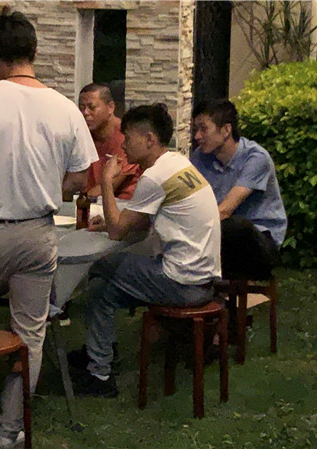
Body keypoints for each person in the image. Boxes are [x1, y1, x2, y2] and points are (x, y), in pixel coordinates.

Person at [0, 8, 98, 449]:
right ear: (35, 51)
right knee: (30, 332)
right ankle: (10, 429)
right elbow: (79, 179)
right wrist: (47, 187)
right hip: (37, 231)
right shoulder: (65, 108)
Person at [69, 103, 221, 398]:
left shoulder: (154, 177)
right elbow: (137, 222)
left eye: (128, 138)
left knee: (98, 266)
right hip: (204, 277)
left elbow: (118, 232)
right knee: (101, 292)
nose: (123, 145)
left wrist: (106, 182)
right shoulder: (176, 163)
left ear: (150, 139)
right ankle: (99, 358)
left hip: (180, 281)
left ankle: (100, 370)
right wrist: (110, 224)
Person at [189, 99, 286, 280]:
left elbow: (225, 210)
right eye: (195, 130)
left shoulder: (256, 158)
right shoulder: (200, 158)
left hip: (259, 242)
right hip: (220, 236)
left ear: (226, 130)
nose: (197, 136)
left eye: (203, 129)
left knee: (237, 226)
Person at [78, 82, 142, 199]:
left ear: (110, 107)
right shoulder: (83, 135)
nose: (85, 113)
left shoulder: (126, 136)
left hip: (123, 203)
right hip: (91, 199)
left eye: (92, 107)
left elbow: (110, 185)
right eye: (81, 108)